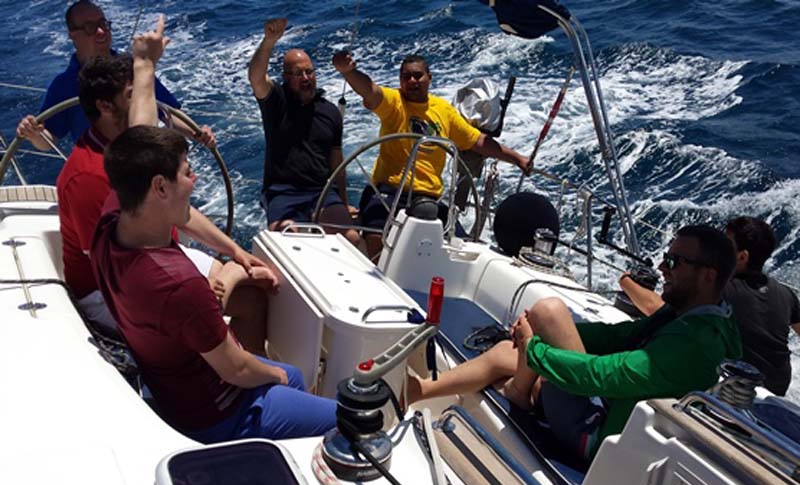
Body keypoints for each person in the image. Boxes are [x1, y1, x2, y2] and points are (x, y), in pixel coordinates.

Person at [90, 20, 336, 442]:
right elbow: (236, 369)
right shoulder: (178, 283)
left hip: (173, 388)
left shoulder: (114, 221)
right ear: (160, 187)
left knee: (293, 377)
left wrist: (144, 65)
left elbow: (140, 138)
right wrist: (275, 375)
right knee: (345, 414)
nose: (195, 180)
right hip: (218, 414)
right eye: (187, 172)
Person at [409, 225, 742, 461]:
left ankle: (507, 390)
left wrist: (534, 348)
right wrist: (538, 336)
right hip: (607, 407)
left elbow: (603, 375)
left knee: (547, 312)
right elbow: (619, 337)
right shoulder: (700, 319)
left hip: (597, 437)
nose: (661, 268)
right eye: (666, 258)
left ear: (708, 275)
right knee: (523, 339)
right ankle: (423, 390)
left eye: (674, 262)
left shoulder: (694, 345)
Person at [56, 17, 253, 347]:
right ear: (105, 106)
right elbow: (114, 263)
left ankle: (244, 363)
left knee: (253, 289)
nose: (146, 102)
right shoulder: (87, 176)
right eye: (134, 95)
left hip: (159, 252)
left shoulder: (134, 156)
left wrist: (234, 251)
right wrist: (195, 284)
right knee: (210, 304)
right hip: (107, 288)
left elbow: (178, 211)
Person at [332, 50, 531, 256]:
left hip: (430, 197)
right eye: (406, 77)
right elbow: (370, 91)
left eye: (417, 75)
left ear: (429, 77)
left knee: (464, 250)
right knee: (377, 239)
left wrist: (517, 159)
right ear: (400, 81)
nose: (412, 81)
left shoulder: (443, 110)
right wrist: (349, 72)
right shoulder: (393, 102)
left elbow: (477, 141)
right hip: (390, 192)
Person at [620, 217, 800, 395]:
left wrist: (626, 281)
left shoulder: (719, 289)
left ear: (742, 257)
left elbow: (656, 309)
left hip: (732, 391)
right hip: (774, 394)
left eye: (725, 245)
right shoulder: (786, 294)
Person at [15, 1, 212, 151]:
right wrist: (34, 134)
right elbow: (49, 139)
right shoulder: (63, 85)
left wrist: (197, 132)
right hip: (97, 170)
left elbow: (167, 111)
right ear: (73, 35)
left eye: (103, 24)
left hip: (142, 162)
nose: (101, 31)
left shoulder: (134, 68)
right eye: (90, 27)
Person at [248, 18, 358, 245]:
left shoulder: (330, 112)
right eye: (299, 74)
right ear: (286, 78)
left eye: (309, 72)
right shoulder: (276, 101)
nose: (306, 78)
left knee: (351, 238)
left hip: (321, 192)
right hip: (282, 192)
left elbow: (337, 164)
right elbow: (256, 78)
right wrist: (269, 41)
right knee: (290, 238)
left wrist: (344, 202)